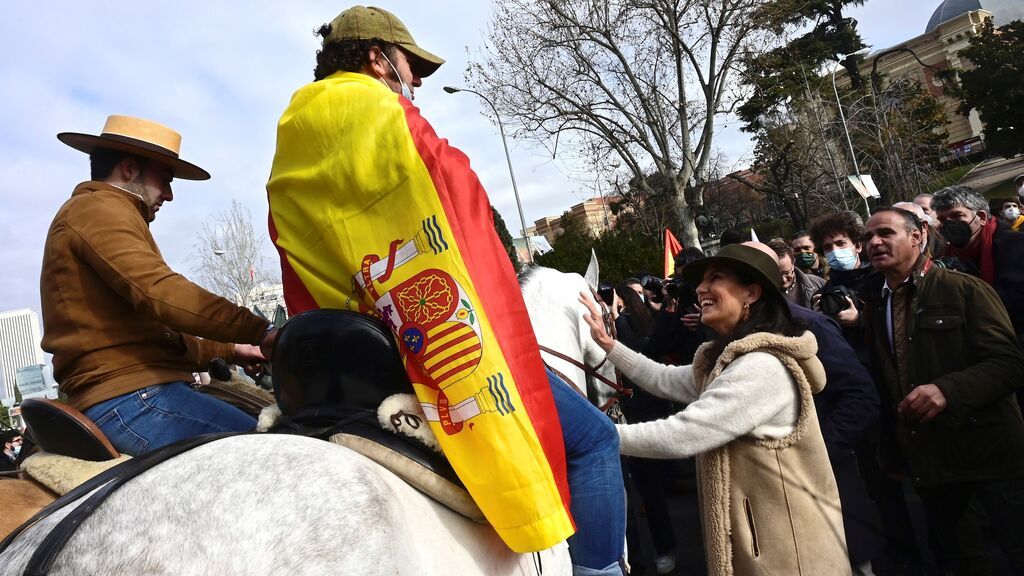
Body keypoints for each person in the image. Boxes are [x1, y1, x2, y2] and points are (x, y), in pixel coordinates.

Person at [265, 7, 624, 573]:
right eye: (411, 67)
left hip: (344, 361)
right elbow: (455, 192)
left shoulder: (292, 131)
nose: (417, 83)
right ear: (377, 57)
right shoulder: (382, 110)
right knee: (596, 440)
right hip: (424, 348)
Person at [581, 244, 851, 576]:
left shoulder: (760, 367)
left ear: (751, 292)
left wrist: (586, 435)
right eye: (701, 281)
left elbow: (683, 433)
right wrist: (609, 346)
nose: (700, 289)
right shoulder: (731, 360)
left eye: (716, 278)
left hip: (787, 557)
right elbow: (665, 379)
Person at [40, 115, 274, 456]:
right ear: (130, 168)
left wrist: (231, 349)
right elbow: (161, 294)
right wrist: (262, 331)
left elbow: (154, 329)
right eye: (164, 180)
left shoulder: (105, 211)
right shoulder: (98, 209)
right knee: (278, 453)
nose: (169, 194)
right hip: (129, 397)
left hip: (132, 392)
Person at [862, 206, 1024, 575]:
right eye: (868, 237)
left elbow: (1010, 364)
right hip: (931, 463)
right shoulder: (876, 301)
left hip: (991, 455)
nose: (874, 242)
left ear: (918, 236)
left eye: (885, 233)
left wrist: (947, 390)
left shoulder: (965, 290)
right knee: (966, 561)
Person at [613, 284, 679, 574]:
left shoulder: (632, 322)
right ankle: (633, 557)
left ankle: (665, 548)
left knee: (650, 492)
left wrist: (615, 318)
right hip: (618, 418)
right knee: (623, 499)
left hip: (639, 417)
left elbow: (636, 354)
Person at [933, 185, 1024, 347]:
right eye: (942, 220)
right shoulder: (945, 255)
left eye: (957, 215)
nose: (948, 224)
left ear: (981, 217)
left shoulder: (1016, 245)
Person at [809, 211, 874, 365]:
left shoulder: (879, 282)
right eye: (828, 247)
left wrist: (860, 320)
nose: (835, 251)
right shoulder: (822, 294)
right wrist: (819, 321)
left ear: (858, 246)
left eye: (841, 243)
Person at [767, 238, 825, 308]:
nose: (783, 280)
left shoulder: (817, 283)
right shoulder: (760, 295)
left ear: (793, 263)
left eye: (787, 273)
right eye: (776, 274)